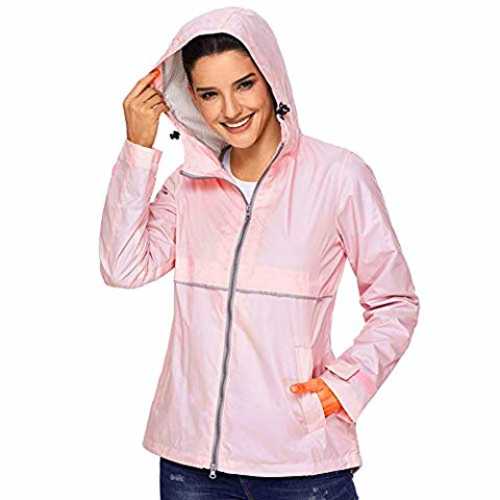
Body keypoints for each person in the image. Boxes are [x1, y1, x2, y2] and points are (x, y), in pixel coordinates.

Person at [99, 6, 420, 499]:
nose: (230, 109)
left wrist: (345, 385)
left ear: (271, 79)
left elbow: (395, 302)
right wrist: (138, 147)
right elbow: (122, 266)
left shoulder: (339, 176)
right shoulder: (187, 185)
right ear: (192, 100)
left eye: (244, 85)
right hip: (190, 463)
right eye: (209, 94)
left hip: (301, 462)